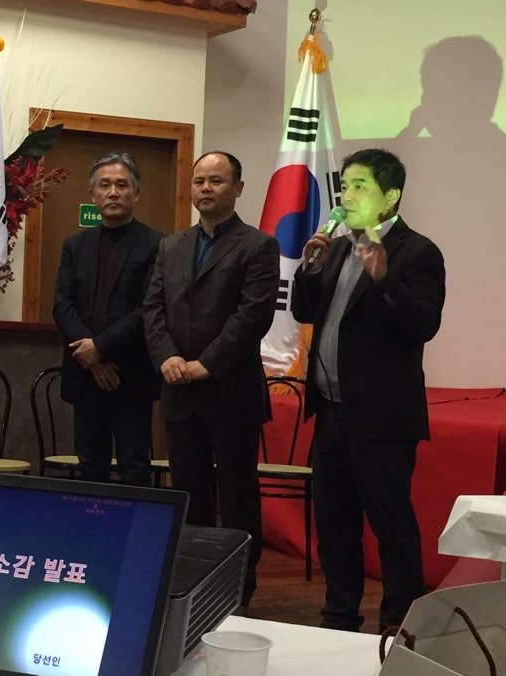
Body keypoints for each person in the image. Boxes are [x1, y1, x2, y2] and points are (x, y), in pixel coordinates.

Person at [291, 148, 446, 632]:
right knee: (334, 524)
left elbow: (423, 324)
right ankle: (339, 616)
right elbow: (304, 312)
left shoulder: (417, 252)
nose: (347, 195)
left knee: (390, 527)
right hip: (331, 411)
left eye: (360, 186)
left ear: (391, 196)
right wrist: (309, 270)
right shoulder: (338, 248)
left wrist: (384, 279)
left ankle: (398, 626)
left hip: (381, 418)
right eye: (345, 186)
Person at [143, 151, 279, 606]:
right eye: (199, 180)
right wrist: (166, 357)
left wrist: (207, 363)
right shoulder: (171, 246)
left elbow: (252, 316)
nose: (205, 188)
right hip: (179, 390)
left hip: (230, 392)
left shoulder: (258, 245)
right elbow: (153, 308)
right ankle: (191, 588)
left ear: (237, 189)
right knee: (188, 494)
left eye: (216, 181)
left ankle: (239, 590)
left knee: (237, 496)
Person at [53, 151, 162, 486]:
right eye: (104, 185)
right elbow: (62, 305)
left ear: (136, 192)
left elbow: (148, 309)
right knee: (90, 467)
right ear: (92, 194)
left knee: (134, 467)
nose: (113, 192)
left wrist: (99, 348)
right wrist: (93, 359)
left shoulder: (158, 245)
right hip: (85, 375)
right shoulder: (75, 245)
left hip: (131, 373)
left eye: (121, 185)